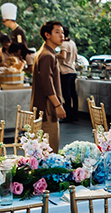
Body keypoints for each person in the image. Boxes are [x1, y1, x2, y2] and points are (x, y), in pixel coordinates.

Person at [32, 20, 67, 151]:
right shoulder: (47, 55)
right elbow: (47, 83)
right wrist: (58, 105)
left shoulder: (45, 52)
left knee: (43, 148)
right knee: (50, 148)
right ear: (47, 35)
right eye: (57, 32)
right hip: (47, 108)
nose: (61, 35)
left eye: (62, 32)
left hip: (44, 106)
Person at [57, 25, 79, 122]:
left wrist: (54, 54)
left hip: (65, 71)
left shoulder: (64, 44)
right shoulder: (72, 43)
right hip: (73, 70)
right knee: (73, 94)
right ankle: (75, 114)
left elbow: (63, 56)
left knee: (66, 94)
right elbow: (76, 57)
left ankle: (68, 116)